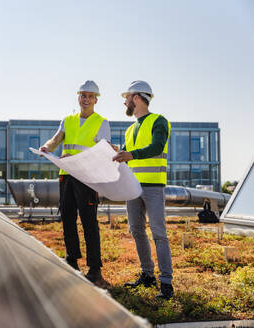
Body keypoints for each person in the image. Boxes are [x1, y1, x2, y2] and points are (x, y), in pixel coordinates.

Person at [39, 80, 111, 287]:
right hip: (66, 174)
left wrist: (78, 155)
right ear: (78, 97)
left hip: (87, 177)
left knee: (89, 222)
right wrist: (46, 147)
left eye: (90, 96)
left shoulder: (102, 122)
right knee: (67, 218)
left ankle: (95, 269)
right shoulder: (68, 120)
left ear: (96, 99)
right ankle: (72, 261)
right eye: (83, 95)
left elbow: (103, 152)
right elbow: (56, 138)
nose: (86, 99)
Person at [112, 80, 174, 300]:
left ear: (136, 97)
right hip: (132, 188)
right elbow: (126, 154)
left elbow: (156, 146)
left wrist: (130, 154)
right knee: (137, 231)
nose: (125, 102)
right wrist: (115, 152)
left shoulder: (159, 121)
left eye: (126, 98)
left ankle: (166, 283)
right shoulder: (130, 129)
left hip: (153, 187)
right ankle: (148, 275)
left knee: (159, 233)